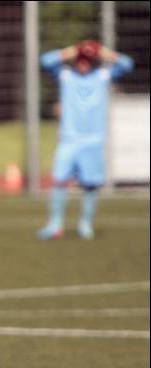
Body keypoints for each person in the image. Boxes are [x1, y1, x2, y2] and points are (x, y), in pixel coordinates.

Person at [37, 39, 134, 240]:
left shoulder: (102, 76)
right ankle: (55, 224)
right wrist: (72, 51)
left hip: (93, 140)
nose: (83, 64)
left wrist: (104, 52)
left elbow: (127, 64)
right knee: (60, 181)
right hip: (69, 139)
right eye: (81, 60)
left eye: (87, 60)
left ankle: (85, 225)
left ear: (93, 62)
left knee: (90, 185)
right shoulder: (66, 76)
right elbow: (45, 61)